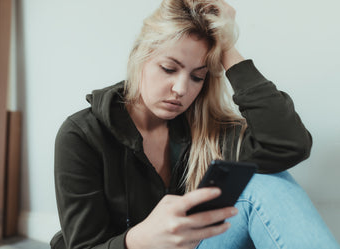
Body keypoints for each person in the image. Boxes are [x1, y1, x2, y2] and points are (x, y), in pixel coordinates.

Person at [50, 0, 340, 248]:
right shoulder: (82, 135)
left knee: (264, 181)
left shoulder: (204, 128)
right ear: (140, 57)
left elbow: (289, 144)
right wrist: (138, 238)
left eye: (197, 76)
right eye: (169, 68)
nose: (180, 88)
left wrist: (226, 46)